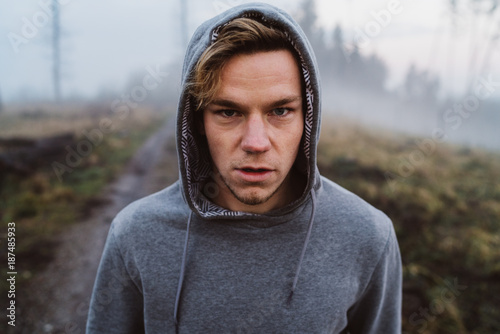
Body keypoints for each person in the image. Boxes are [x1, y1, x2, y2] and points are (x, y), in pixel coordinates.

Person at [86, 3, 402, 333]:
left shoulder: (368, 237)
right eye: (228, 112)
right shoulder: (136, 236)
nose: (255, 142)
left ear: (307, 118)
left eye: (280, 111)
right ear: (198, 122)